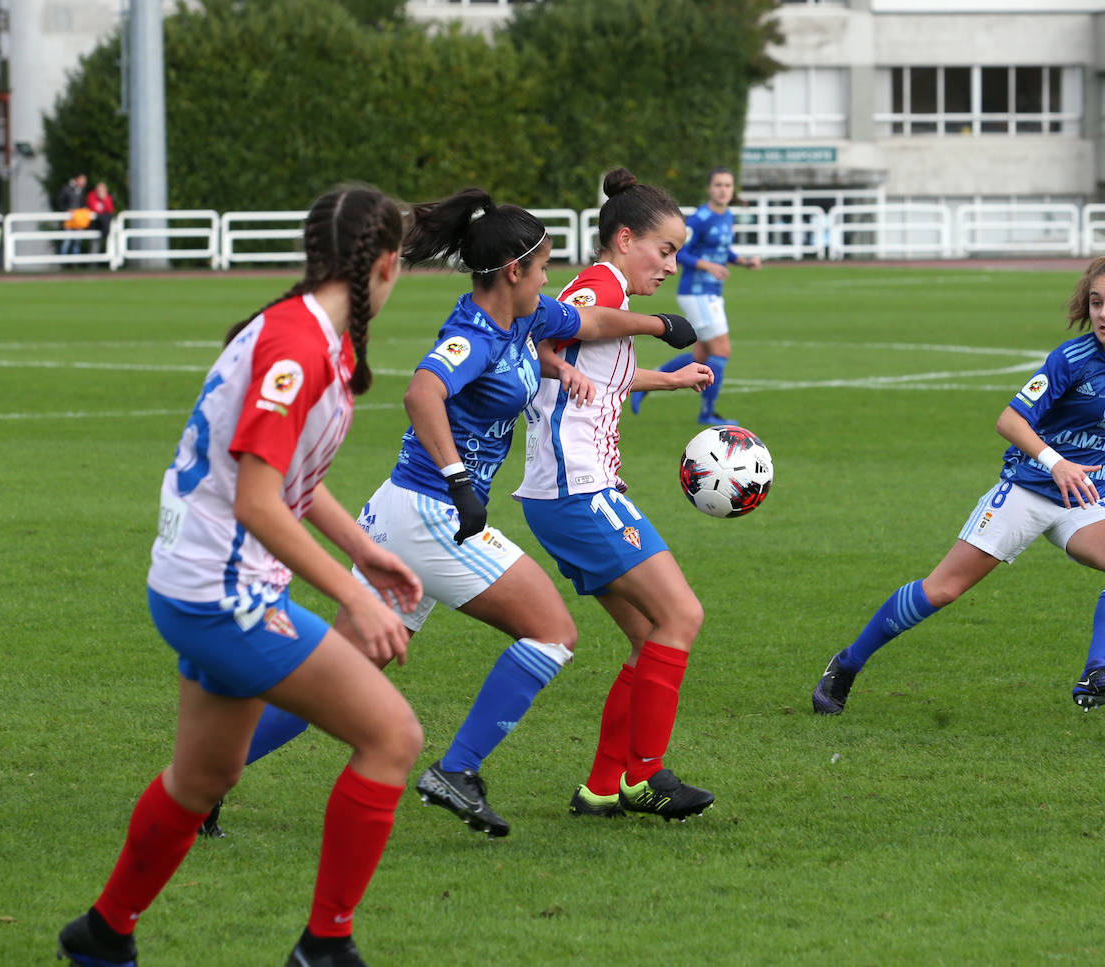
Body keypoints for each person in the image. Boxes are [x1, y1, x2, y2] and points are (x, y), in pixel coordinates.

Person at [230, 187, 698, 840]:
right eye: (542, 269)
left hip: (404, 510)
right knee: (553, 632)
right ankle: (458, 769)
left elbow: (586, 324)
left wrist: (656, 327)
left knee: (344, 671)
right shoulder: (473, 333)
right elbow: (421, 392)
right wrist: (458, 480)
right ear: (514, 272)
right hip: (433, 513)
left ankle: (211, 773)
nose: (548, 280)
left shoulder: (522, 320)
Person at [57, 186, 422, 967]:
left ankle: (102, 934)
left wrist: (367, 549)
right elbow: (260, 501)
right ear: (386, 265)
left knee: (205, 774)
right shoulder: (297, 346)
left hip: (200, 580)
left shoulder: (308, 330)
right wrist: (354, 596)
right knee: (392, 735)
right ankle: (325, 948)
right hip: (221, 590)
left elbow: (286, 477)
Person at [811, 251, 1105, 717]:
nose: (1104, 313)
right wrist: (1055, 461)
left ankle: (1098, 673)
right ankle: (847, 664)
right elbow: (1009, 419)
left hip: (1088, 498)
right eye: (1097, 302)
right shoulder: (1072, 359)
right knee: (942, 590)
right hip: (1027, 488)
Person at [516, 168, 719, 822]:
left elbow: (597, 367)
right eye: (664, 250)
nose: (670, 265)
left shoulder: (609, 289)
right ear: (624, 237)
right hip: (576, 489)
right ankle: (647, 774)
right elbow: (567, 324)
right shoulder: (602, 282)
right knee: (681, 616)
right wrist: (660, 323)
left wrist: (669, 377)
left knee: (649, 636)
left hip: (570, 490)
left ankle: (603, 787)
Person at [632, 165, 760, 426]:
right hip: (696, 292)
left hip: (712, 293)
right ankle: (708, 413)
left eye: (727, 185)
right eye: (718, 185)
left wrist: (742, 261)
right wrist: (707, 266)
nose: (723, 190)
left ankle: (649, 382)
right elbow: (680, 252)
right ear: (709, 189)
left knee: (702, 354)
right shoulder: (701, 218)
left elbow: (722, 250)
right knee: (722, 350)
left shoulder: (727, 216)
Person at [56, 172, 88, 256]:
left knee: (77, 241)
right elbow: (60, 201)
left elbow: (82, 203)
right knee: (67, 240)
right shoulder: (67, 189)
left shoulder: (81, 190)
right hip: (69, 219)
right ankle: (63, 261)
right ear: (77, 179)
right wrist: (66, 210)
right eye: (82, 180)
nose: (84, 182)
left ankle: (75, 262)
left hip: (78, 219)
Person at [86, 181, 116, 252]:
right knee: (94, 245)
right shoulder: (92, 196)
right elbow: (93, 208)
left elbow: (110, 209)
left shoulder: (107, 197)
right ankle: (93, 262)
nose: (100, 191)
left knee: (106, 244)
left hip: (104, 226)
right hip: (94, 224)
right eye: (99, 189)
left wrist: (104, 199)